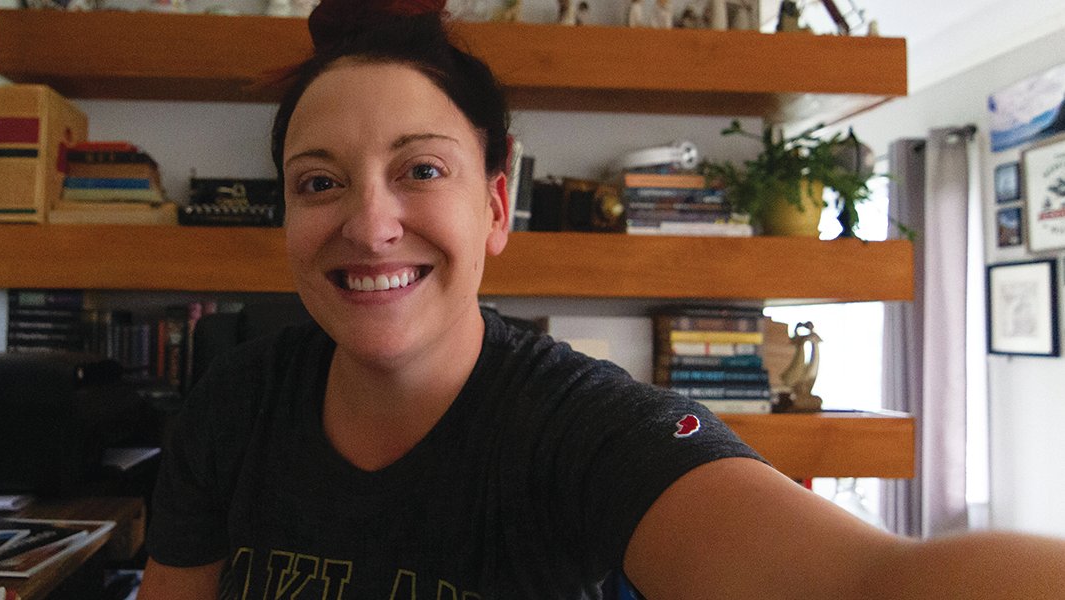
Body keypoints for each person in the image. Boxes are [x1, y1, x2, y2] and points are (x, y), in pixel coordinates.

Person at [140, 1, 1065, 598]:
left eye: (420, 169)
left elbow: (867, 585)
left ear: (495, 205)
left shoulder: (586, 433)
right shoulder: (232, 404)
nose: (370, 225)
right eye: (318, 183)